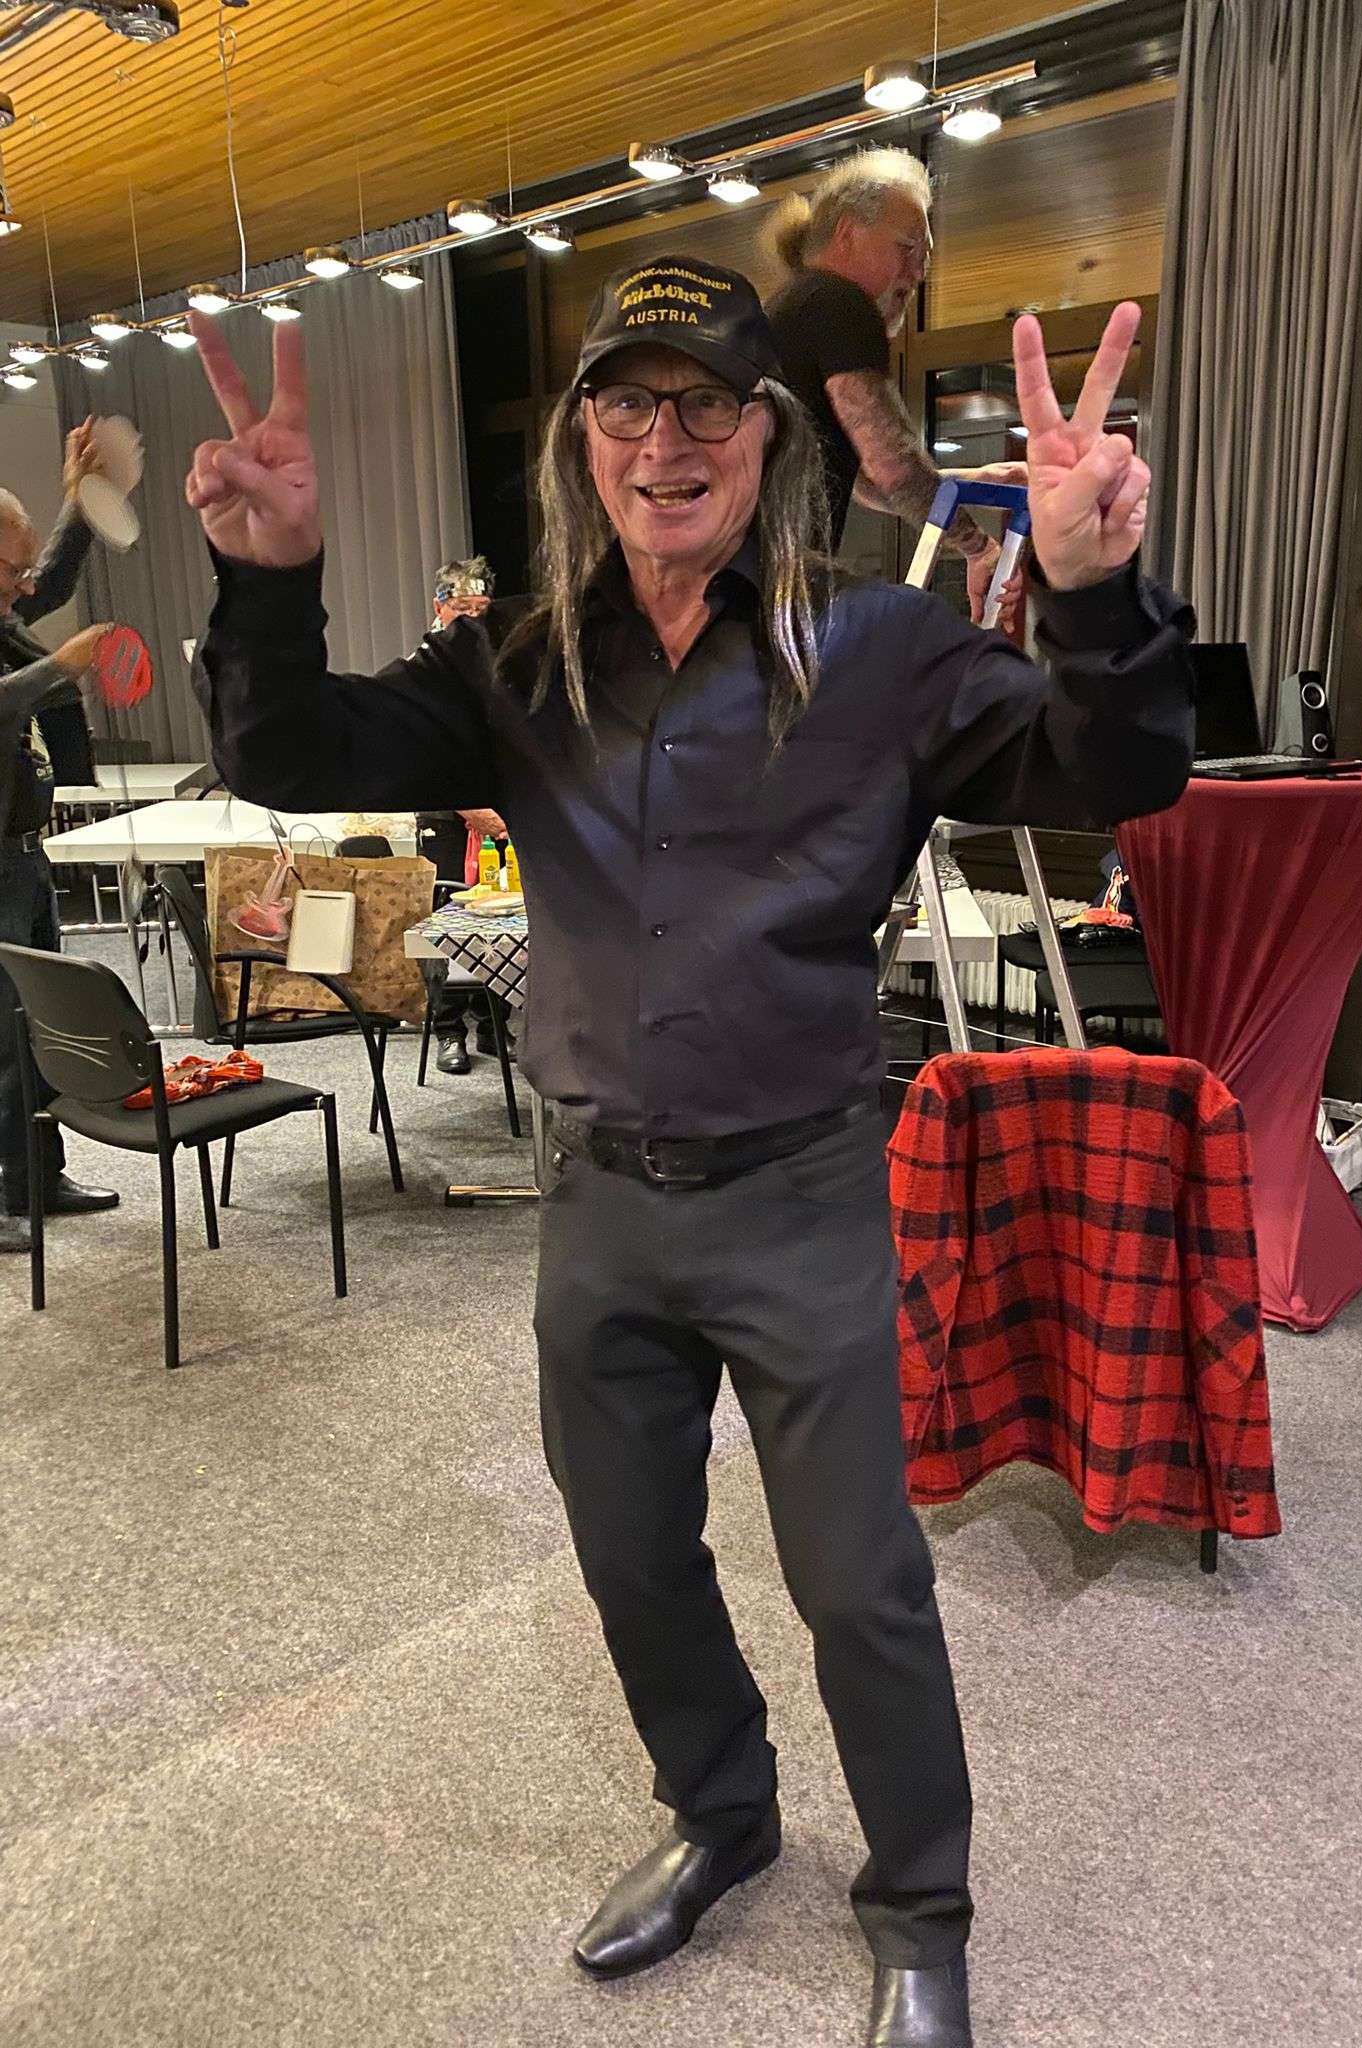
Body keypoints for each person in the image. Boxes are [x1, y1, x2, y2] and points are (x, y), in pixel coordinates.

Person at [185, 256, 1192, 2048]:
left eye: (707, 402)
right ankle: (722, 1813)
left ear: (768, 435)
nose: (667, 441)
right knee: (632, 1554)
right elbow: (292, 750)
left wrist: (1093, 596)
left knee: (859, 1584)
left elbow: (1111, 775)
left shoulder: (877, 649)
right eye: (628, 403)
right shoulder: (519, 659)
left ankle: (921, 1905)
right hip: (597, 1208)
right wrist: (269, 580)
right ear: (584, 439)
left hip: (802, 1196)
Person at [765, 149, 1020, 624]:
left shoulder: (793, 306)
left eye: (923, 257)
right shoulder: (839, 302)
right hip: (774, 590)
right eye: (907, 249)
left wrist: (975, 481)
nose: (918, 273)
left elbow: (865, 480)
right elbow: (893, 468)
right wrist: (978, 548)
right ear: (848, 233)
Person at [1, 428, 121, 1255]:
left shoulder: (3, 610)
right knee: (1, 1035)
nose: (25, 585)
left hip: (20, 855)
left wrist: (79, 498)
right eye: (10, 569)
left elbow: (50, 575)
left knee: (39, 1025)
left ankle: (39, 1178)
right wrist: (61, 668)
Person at [416, 554, 513, 1073]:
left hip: (499, 810)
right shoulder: (424, 666)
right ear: (440, 608)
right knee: (449, 918)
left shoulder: (501, 657)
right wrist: (473, 810)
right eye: (462, 608)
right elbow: (422, 754)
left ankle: (494, 1026)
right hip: (446, 813)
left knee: (501, 915)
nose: (473, 617)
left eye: (481, 608)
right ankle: (449, 1030)